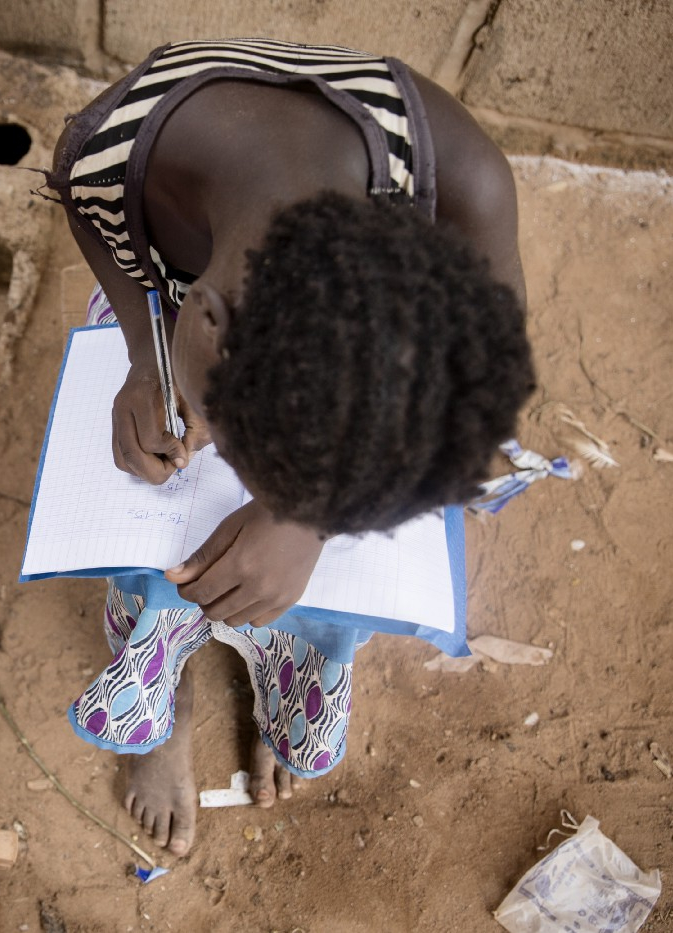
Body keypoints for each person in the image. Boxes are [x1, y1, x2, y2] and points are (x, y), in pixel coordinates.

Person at [42, 38, 534, 857]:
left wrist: (304, 524)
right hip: (170, 337)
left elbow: (477, 404)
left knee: (315, 597)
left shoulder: (467, 183)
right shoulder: (106, 149)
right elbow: (94, 218)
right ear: (204, 320)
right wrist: (142, 354)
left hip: (249, 370)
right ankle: (166, 710)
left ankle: (289, 677)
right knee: (155, 548)